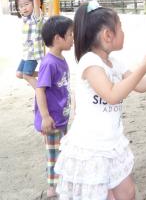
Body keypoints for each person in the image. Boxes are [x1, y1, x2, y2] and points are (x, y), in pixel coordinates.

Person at [54, 1, 146, 200]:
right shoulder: (90, 62)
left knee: (128, 193)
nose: (123, 32)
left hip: (112, 143)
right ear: (107, 35)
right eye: (121, 28)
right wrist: (142, 68)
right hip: (91, 148)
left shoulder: (114, 63)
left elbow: (139, 85)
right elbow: (112, 95)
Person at [35, 15, 74, 199]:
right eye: (70, 34)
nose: (73, 38)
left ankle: (61, 181)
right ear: (58, 38)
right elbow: (40, 90)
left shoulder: (60, 59)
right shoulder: (49, 63)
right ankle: (52, 187)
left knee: (62, 151)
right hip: (51, 121)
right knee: (53, 154)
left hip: (61, 116)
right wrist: (45, 116)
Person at [15, 0, 45, 89]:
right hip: (26, 54)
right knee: (19, 74)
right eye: (21, 6)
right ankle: (45, 73)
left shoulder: (35, 17)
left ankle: (41, 92)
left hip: (33, 54)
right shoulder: (25, 18)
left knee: (26, 75)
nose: (24, 8)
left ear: (34, 5)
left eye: (26, 4)